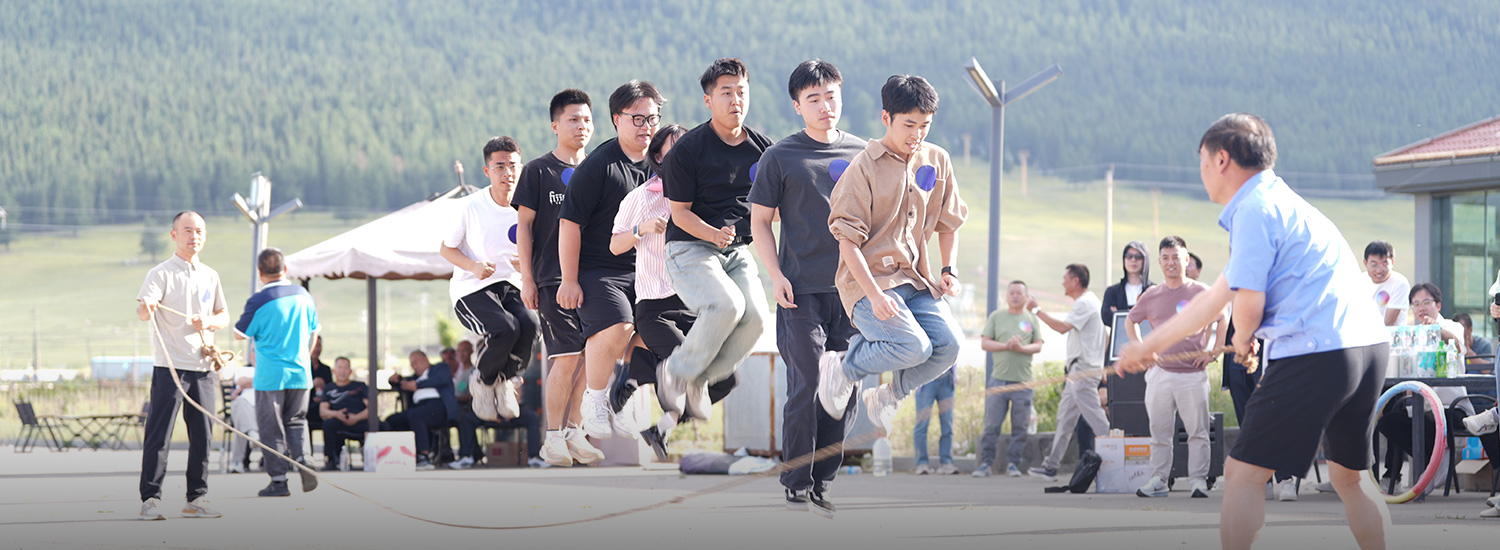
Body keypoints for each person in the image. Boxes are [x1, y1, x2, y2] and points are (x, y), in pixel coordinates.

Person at [1117, 113, 1391, 550]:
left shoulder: (1252, 209)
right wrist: (1150, 345)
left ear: (1222, 159)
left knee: (1242, 473)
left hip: (1317, 351)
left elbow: (1247, 304)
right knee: (1350, 478)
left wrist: (1243, 338)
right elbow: (1216, 297)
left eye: (1202, 160)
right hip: (1368, 347)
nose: (1201, 171)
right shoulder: (1285, 203)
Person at [817, 74, 968, 443]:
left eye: (925, 125)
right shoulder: (862, 169)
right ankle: (843, 366)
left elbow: (949, 223)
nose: (917, 134)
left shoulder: (937, 159)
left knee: (949, 346)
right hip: (869, 283)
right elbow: (848, 244)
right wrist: (874, 296)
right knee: (913, 346)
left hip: (917, 280)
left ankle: (888, 395)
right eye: (909, 125)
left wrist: (948, 270)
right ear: (886, 118)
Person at [747, 59, 866, 513]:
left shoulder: (863, 153)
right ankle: (796, 478)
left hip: (853, 294)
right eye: (813, 99)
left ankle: (823, 480)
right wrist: (775, 275)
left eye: (830, 96)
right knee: (808, 381)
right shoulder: (780, 156)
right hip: (799, 292)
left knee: (845, 387)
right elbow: (760, 221)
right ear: (797, 106)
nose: (824, 106)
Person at [608, 124, 740, 456]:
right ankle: (635, 374)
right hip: (655, 307)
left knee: (726, 379)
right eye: (676, 148)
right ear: (657, 156)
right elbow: (615, 245)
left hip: (695, 305)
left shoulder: (702, 196)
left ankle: (659, 421)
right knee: (691, 370)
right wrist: (641, 229)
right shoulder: (641, 197)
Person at [655, 58, 773, 422]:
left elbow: (774, 207)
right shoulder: (687, 150)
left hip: (736, 251)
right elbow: (680, 214)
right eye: (726, 93)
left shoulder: (763, 150)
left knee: (756, 318)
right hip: (689, 246)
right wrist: (712, 233)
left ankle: (698, 379)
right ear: (708, 100)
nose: (736, 100)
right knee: (726, 305)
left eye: (741, 92)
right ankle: (676, 371)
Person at [558, 80, 665, 439]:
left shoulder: (663, 162)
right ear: (617, 119)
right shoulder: (599, 166)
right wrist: (569, 280)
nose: (646, 126)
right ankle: (595, 400)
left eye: (652, 118)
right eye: (637, 118)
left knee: (661, 329)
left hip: (648, 270)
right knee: (619, 325)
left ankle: (622, 394)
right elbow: (569, 224)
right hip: (599, 270)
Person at [514, 89, 600, 466]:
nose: (581, 126)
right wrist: (527, 279)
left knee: (593, 359)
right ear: (555, 125)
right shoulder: (538, 171)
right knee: (566, 358)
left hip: (596, 280)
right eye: (573, 119)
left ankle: (574, 431)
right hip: (552, 279)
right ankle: (552, 438)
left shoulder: (599, 168)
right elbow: (524, 227)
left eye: (586, 119)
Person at [135, 210, 227, 521]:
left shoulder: (210, 275)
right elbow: (143, 312)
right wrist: (147, 307)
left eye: (199, 231)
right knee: (159, 434)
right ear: (174, 235)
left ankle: (196, 498)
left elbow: (224, 316)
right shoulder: (160, 273)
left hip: (203, 367)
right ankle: (150, 499)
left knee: (203, 435)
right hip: (170, 366)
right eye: (187, 230)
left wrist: (209, 321)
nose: (194, 236)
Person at [442, 136, 539, 424]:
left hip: (511, 284)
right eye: (500, 167)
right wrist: (472, 265)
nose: (507, 173)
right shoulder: (469, 206)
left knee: (530, 326)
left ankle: (505, 379)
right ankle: (483, 381)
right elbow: (446, 249)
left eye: (513, 166)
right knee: (505, 328)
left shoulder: (529, 207)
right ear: (487, 171)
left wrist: (527, 264)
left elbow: (541, 249)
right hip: (472, 288)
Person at [1122, 236, 1224, 499]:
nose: (1171, 263)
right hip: (1160, 374)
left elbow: (1222, 318)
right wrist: (1141, 348)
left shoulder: (1202, 292)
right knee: (1159, 432)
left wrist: (1215, 352)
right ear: (1159, 262)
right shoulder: (1152, 294)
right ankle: (1159, 479)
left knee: (1198, 432)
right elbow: (1130, 321)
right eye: (1165, 258)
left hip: (1193, 375)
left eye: (1176, 257)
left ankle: (1198, 481)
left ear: (1186, 260)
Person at [233, 247, 321, 498]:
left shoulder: (259, 300)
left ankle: (279, 481)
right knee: (297, 420)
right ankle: (304, 459)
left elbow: (240, 333)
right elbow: (314, 330)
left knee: (271, 427)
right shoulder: (303, 295)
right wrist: (305, 356)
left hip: (270, 375)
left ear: (260, 273)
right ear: (285, 269)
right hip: (300, 371)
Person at [1029, 264, 1112, 478]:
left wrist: (1037, 311)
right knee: (1065, 418)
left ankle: (1117, 454)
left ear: (1076, 281)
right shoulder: (1091, 302)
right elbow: (1106, 335)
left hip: (1082, 370)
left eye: (1065, 278)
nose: (1062, 283)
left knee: (1096, 418)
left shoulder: (1085, 302)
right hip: (1081, 369)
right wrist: (1100, 364)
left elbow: (1062, 328)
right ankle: (1051, 465)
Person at [976, 280, 1043, 478]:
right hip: (999, 380)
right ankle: (986, 464)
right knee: (991, 425)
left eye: (1019, 293)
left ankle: (1013, 463)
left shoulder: (1031, 319)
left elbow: (1038, 345)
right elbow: (985, 343)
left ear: (1026, 297)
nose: (1015, 296)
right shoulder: (996, 317)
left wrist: (1021, 348)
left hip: (1024, 382)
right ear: (1006, 296)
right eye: (1011, 292)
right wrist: (1007, 346)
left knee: (1020, 427)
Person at [1092, 241, 1153, 451]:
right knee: (1119, 402)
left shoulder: (1153, 290)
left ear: (1145, 260)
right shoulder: (1113, 291)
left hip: (1147, 353)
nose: (1133, 261)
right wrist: (1133, 314)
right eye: (1129, 256)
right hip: (1118, 353)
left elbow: (1154, 318)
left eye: (1138, 257)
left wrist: (1121, 312)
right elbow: (1107, 317)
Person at [451, 357, 545, 469]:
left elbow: (517, 392)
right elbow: (477, 396)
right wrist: (493, 415)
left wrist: (509, 411)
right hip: (488, 411)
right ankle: (466, 457)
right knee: (467, 420)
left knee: (532, 419)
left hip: (510, 410)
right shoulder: (478, 373)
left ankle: (534, 457)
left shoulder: (510, 368)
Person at [383, 350, 459, 470]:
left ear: (425, 359)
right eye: (411, 364)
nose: (414, 366)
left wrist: (418, 386)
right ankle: (399, 455)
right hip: (419, 407)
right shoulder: (415, 378)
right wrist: (394, 380)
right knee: (392, 420)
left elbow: (442, 379)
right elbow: (404, 383)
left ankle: (424, 456)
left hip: (438, 406)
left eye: (415, 362)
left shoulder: (440, 368)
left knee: (415, 415)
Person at [319, 357, 368, 471]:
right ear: (334, 371)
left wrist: (357, 417)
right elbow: (323, 411)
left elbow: (371, 408)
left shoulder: (360, 386)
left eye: (345, 368)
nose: (342, 371)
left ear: (350, 371)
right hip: (339, 421)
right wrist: (336, 414)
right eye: (340, 367)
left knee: (382, 425)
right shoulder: (329, 388)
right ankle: (331, 460)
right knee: (327, 424)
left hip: (360, 421)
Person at [913, 367, 958, 476]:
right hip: (925, 378)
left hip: (947, 378)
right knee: (922, 424)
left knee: (947, 424)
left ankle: (946, 462)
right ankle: (921, 463)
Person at [1365, 241, 1410, 327]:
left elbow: (1388, 322)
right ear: (1365, 263)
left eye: (1384, 264)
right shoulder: (1360, 280)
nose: (1379, 270)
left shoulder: (1400, 283)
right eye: (1374, 264)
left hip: (1390, 334)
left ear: (1392, 262)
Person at [227, 373, 258, 474]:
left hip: (261, 407)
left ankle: (237, 462)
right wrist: (256, 381)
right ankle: (252, 433)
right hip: (244, 408)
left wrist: (247, 384)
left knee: (241, 425)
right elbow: (240, 381)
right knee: (240, 404)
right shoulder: (244, 369)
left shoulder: (267, 367)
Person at [307, 336, 332, 434]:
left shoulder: (326, 369)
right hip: (306, 407)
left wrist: (324, 391)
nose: (316, 349)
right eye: (314, 345)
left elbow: (331, 390)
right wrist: (312, 384)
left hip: (322, 406)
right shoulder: (302, 368)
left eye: (318, 345)